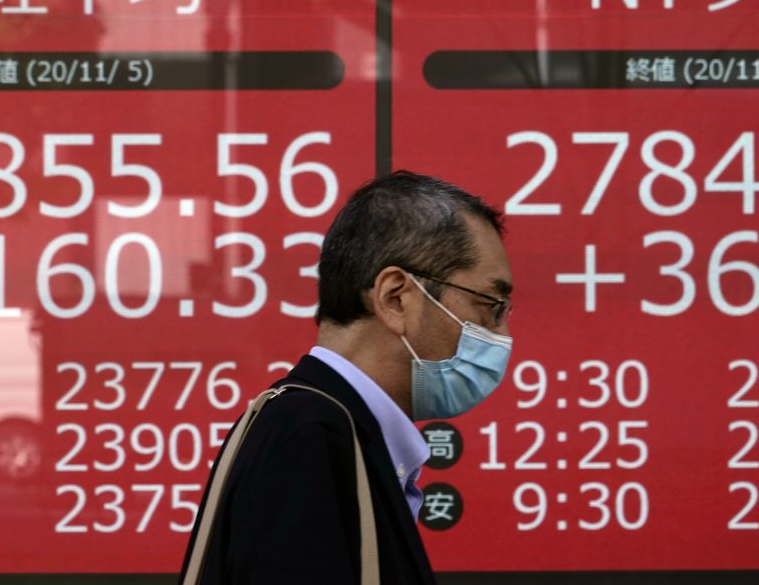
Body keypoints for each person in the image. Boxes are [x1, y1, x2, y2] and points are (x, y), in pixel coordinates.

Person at [179, 171, 514, 584]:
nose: (500, 335)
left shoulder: (329, 429)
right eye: (491, 306)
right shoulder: (309, 436)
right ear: (395, 298)